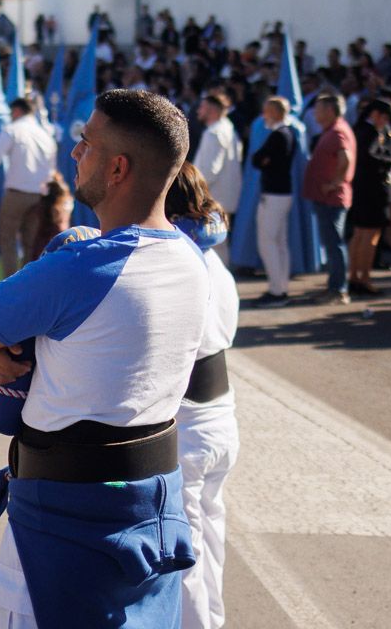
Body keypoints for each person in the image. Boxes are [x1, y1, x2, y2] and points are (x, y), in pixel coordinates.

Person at [0, 88, 206, 629]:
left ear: (117, 168)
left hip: (64, 526)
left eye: (85, 143)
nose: (73, 152)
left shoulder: (82, 267)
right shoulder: (191, 259)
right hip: (150, 512)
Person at [165, 164, 239, 629]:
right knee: (210, 537)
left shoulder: (178, 260)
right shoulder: (214, 259)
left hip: (190, 421)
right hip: (220, 414)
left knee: (185, 548)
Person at [0, 96, 59, 278]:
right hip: (39, 194)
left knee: (7, 240)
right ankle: (29, 285)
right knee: (31, 243)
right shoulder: (46, 136)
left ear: (16, 111)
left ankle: (10, 285)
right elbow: (51, 170)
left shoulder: (13, 130)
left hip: (17, 193)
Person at [303, 94, 356, 304]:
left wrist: (334, 184)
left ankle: (339, 290)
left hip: (333, 198)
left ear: (329, 111)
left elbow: (346, 158)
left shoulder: (337, 132)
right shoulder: (333, 131)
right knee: (333, 244)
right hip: (330, 198)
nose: (314, 113)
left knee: (335, 244)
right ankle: (335, 287)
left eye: (318, 109)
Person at [248, 97, 298, 304]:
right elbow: (260, 160)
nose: (264, 116)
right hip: (280, 193)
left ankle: (277, 290)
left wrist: (264, 160)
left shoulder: (279, 135)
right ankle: (280, 287)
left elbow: (259, 159)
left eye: (267, 111)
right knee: (279, 243)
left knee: (269, 242)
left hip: (274, 195)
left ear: (276, 113)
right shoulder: (286, 134)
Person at [348, 99, 391, 298]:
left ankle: (355, 275)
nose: (386, 121)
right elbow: (368, 158)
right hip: (373, 191)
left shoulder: (361, 129)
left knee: (360, 233)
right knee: (369, 235)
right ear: (376, 114)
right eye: (384, 116)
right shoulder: (369, 132)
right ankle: (363, 277)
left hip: (363, 190)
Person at [190, 92, 242, 220]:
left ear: (212, 110)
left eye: (202, 107)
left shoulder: (214, 133)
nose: (198, 111)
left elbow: (209, 171)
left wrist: (193, 194)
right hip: (223, 200)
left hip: (212, 201)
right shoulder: (228, 128)